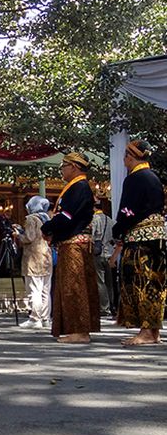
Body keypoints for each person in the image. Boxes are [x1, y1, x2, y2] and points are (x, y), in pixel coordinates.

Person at [109, 140, 166, 346]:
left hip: (140, 238)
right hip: (157, 237)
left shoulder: (135, 178)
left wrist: (119, 229)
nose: (124, 162)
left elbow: (128, 210)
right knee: (155, 283)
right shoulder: (154, 177)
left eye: (125, 157)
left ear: (130, 157)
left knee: (142, 282)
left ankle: (145, 332)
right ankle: (154, 332)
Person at [41, 152, 99, 343]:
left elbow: (66, 216)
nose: (61, 171)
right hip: (72, 243)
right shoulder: (77, 187)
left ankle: (79, 332)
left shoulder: (79, 187)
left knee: (74, 287)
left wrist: (47, 227)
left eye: (63, 167)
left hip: (75, 244)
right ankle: (78, 330)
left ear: (73, 167)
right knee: (72, 286)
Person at [15, 196, 53, 329]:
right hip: (46, 257)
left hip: (33, 257)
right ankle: (45, 318)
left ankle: (35, 318)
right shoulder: (47, 218)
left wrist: (19, 234)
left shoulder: (32, 219)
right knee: (45, 290)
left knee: (34, 289)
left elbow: (29, 237)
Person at [91, 198, 115, 316]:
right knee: (110, 282)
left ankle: (104, 308)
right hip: (110, 253)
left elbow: (92, 236)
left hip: (98, 253)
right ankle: (111, 305)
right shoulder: (110, 220)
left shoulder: (94, 219)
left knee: (100, 281)